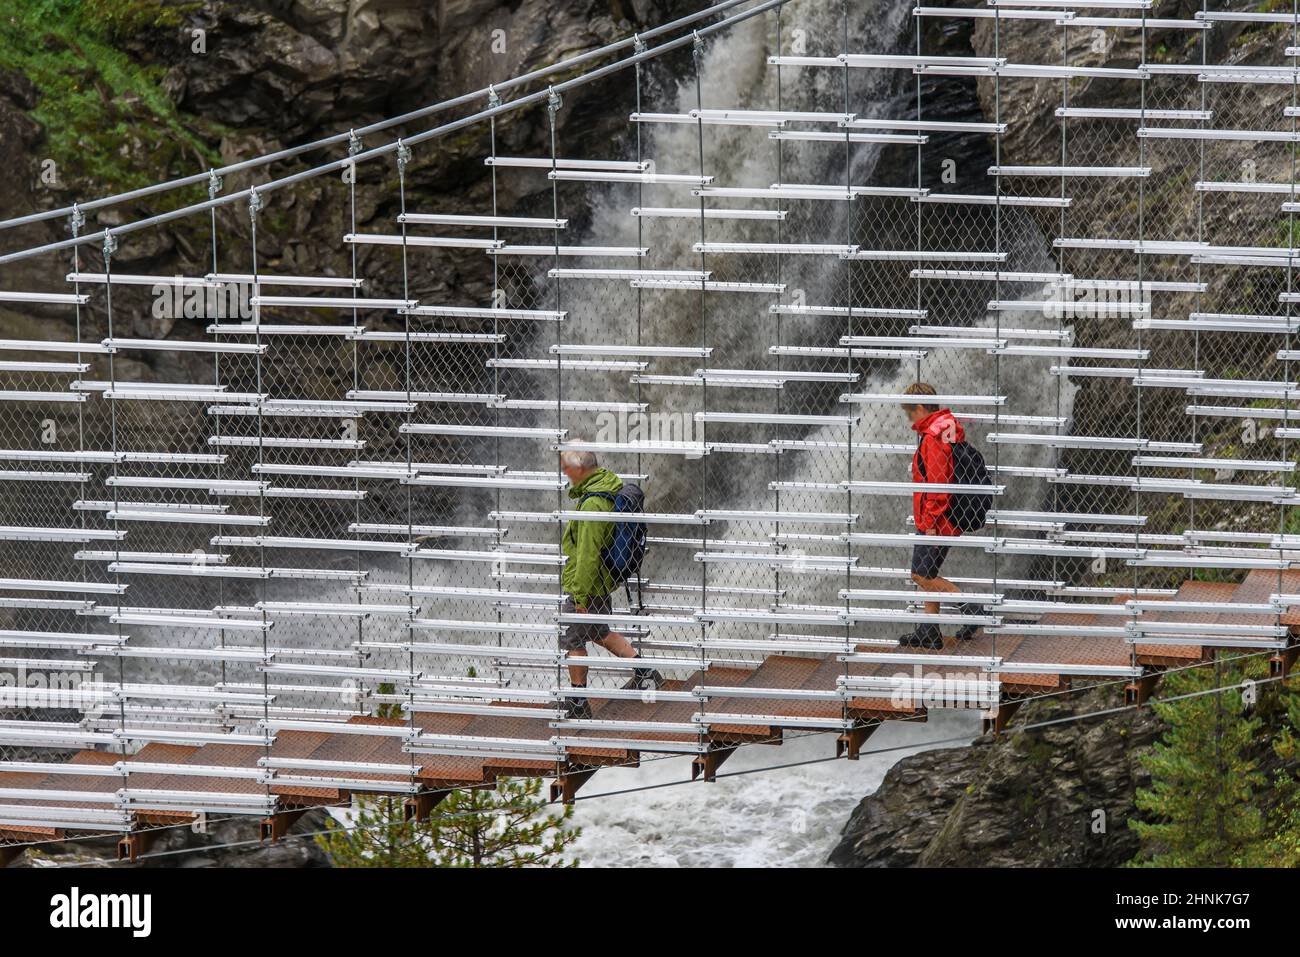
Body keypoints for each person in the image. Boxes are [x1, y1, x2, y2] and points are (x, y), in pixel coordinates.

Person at [558, 449, 662, 719]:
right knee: (599, 632)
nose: (565, 473)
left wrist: (579, 597)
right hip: (602, 581)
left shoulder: (593, 504)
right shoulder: (608, 486)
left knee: (572, 641)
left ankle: (578, 704)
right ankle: (646, 671)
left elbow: (588, 555)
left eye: (567, 468)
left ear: (581, 469)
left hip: (588, 585)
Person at [899, 382, 983, 649]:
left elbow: (938, 483)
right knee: (929, 571)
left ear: (922, 408)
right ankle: (929, 630)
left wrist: (932, 523)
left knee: (920, 574)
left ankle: (971, 609)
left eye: (910, 411)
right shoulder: (947, 427)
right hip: (942, 517)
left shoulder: (933, 438)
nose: (909, 418)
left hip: (937, 520)